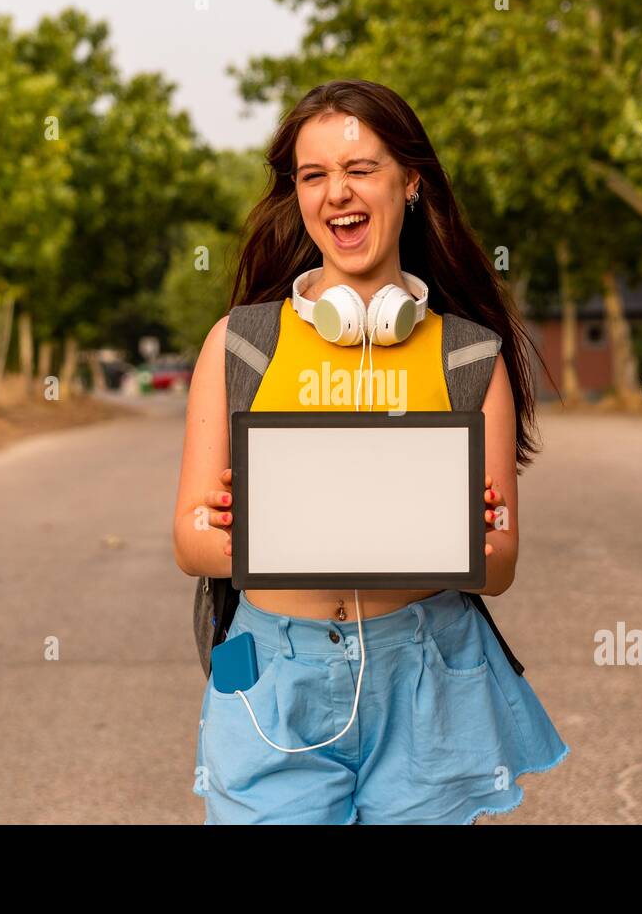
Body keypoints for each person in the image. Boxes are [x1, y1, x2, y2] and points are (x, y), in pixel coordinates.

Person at [172, 78, 569, 824]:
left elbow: (501, 561)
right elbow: (192, 539)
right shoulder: (242, 346)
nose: (336, 193)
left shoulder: (465, 357)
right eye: (313, 175)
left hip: (425, 678)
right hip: (273, 682)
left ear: (410, 182)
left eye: (360, 169)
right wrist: (384, 526)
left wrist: (454, 539)